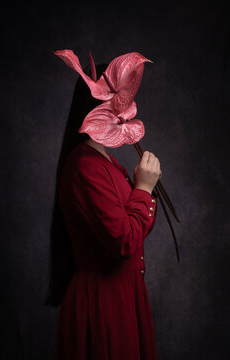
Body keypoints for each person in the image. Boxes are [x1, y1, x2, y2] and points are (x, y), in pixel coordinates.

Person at [44, 63, 161, 360]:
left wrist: (143, 192)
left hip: (122, 298)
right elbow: (125, 241)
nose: (121, 104)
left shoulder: (104, 159)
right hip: (103, 304)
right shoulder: (86, 166)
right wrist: (144, 189)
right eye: (114, 97)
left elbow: (135, 227)